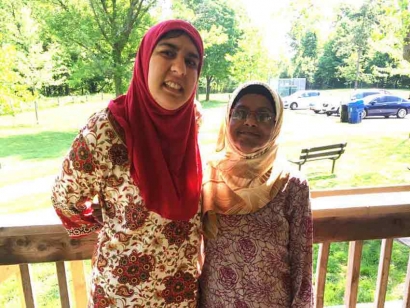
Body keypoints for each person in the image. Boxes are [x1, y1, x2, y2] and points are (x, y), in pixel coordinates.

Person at [51, 20, 204, 306]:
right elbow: (64, 198)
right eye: (168, 52)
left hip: (180, 296)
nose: (180, 69)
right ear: (144, 59)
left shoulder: (192, 123)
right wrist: (102, 226)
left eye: (191, 61)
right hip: (122, 297)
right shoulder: (106, 131)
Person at [200, 81, 313, 307]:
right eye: (240, 113)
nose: (250, 122)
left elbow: (302, 265)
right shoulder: (208, 176)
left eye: (263, 116)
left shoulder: (292, 184)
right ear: (229, 117)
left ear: (276, 124)